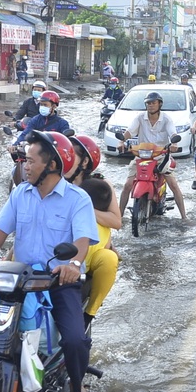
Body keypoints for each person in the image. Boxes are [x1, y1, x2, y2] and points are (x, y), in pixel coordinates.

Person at [0, 131, 99, 392]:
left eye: (31, 161)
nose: (25, 166)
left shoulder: (77, 199)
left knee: (73, 339)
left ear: (52, 165)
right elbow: (0, 231)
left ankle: (77, 385)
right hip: (18, 279)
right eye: (24, 160)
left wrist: (71, 265)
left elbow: (81, 242)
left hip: (57, 281)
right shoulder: (20, 193)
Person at [67, 135, 120, 327]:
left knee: (109, 259)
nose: (65, 157)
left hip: (89, 252)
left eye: (71, 154)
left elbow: (116, 221)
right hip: (58, 249)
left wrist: (84, 208)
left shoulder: (101, 186)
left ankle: (89, 314)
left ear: (85, 161)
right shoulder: (53, 180)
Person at [116, 91, 187, 220]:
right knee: (127, 185)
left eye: (153, 103)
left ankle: (184, 217)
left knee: (174, 185)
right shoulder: (139, 118)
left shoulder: (166, 119)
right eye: (148, 103)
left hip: (161, 156)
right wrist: (122, 141)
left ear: (159, 104)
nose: (151, 105)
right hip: (142, 156)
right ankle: (119, 217)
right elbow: (129, 132)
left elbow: (172, 133)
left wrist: (174, 143)